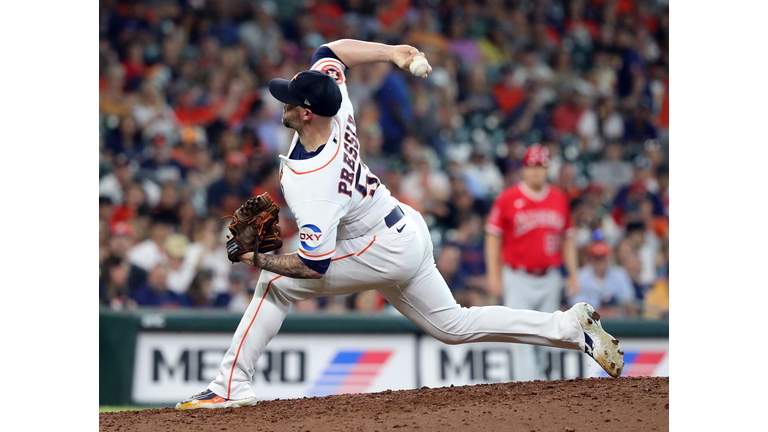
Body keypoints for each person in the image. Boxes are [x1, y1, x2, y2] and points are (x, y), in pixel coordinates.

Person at [176, 39, 623, 410]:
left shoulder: (313, 180)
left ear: (306, 113)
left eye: (289, 101)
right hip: (400, 225)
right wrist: (394, 52)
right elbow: (331, 50)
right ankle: (568, 328)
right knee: (453, 326)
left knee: (275, 284)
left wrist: (259, 257)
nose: (283, 102)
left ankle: (231, 385)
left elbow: (316, 265)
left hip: (379, 247)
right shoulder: (337, 104)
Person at [484, 144, 580, 382]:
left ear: (547, 169)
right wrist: (494, 277)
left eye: (541, 166)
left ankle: (542, 388)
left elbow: (567, 239)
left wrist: (573, 274)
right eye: (532, 166)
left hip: (549, 277)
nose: (536, 172)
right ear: (524, 169)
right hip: (517, 276)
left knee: (548, 337)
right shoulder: (508, 198)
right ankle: (526, 390)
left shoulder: (558, 198)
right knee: (521, 336)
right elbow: (493, 238)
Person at [569, 241, 637, 318]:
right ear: (591, 260)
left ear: (608, 259)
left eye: (602, 259)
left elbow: (629, 300)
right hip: (588, 321)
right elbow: (574, 303)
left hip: (616, 320)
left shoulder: (619, 274)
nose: (599, 263)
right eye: (596, 259)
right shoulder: (581, 275)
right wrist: (598, 311)